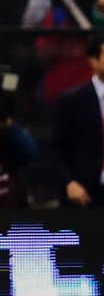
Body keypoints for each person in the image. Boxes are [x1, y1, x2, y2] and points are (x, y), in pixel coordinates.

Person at [52, 32, 104, 207]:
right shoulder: (73, 100)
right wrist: (69, 182)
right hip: (85, 195)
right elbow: (56, 149)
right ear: (93, 60)